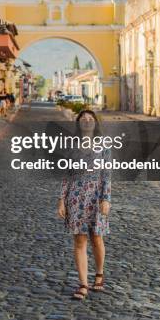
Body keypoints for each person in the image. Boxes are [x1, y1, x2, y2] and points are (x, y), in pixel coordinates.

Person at [57, 109, 111, 300]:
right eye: (83, 119)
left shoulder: (103, 145)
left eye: (90, 119)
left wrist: (106, 199)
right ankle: (83, 285)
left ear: (95, 123)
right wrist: (61, 199)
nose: (87, 121)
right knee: (79, 240)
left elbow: (107, 174)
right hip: (75, 196)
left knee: (96, 237)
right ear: (79, 123)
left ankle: (99, 274)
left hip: (95, 195)